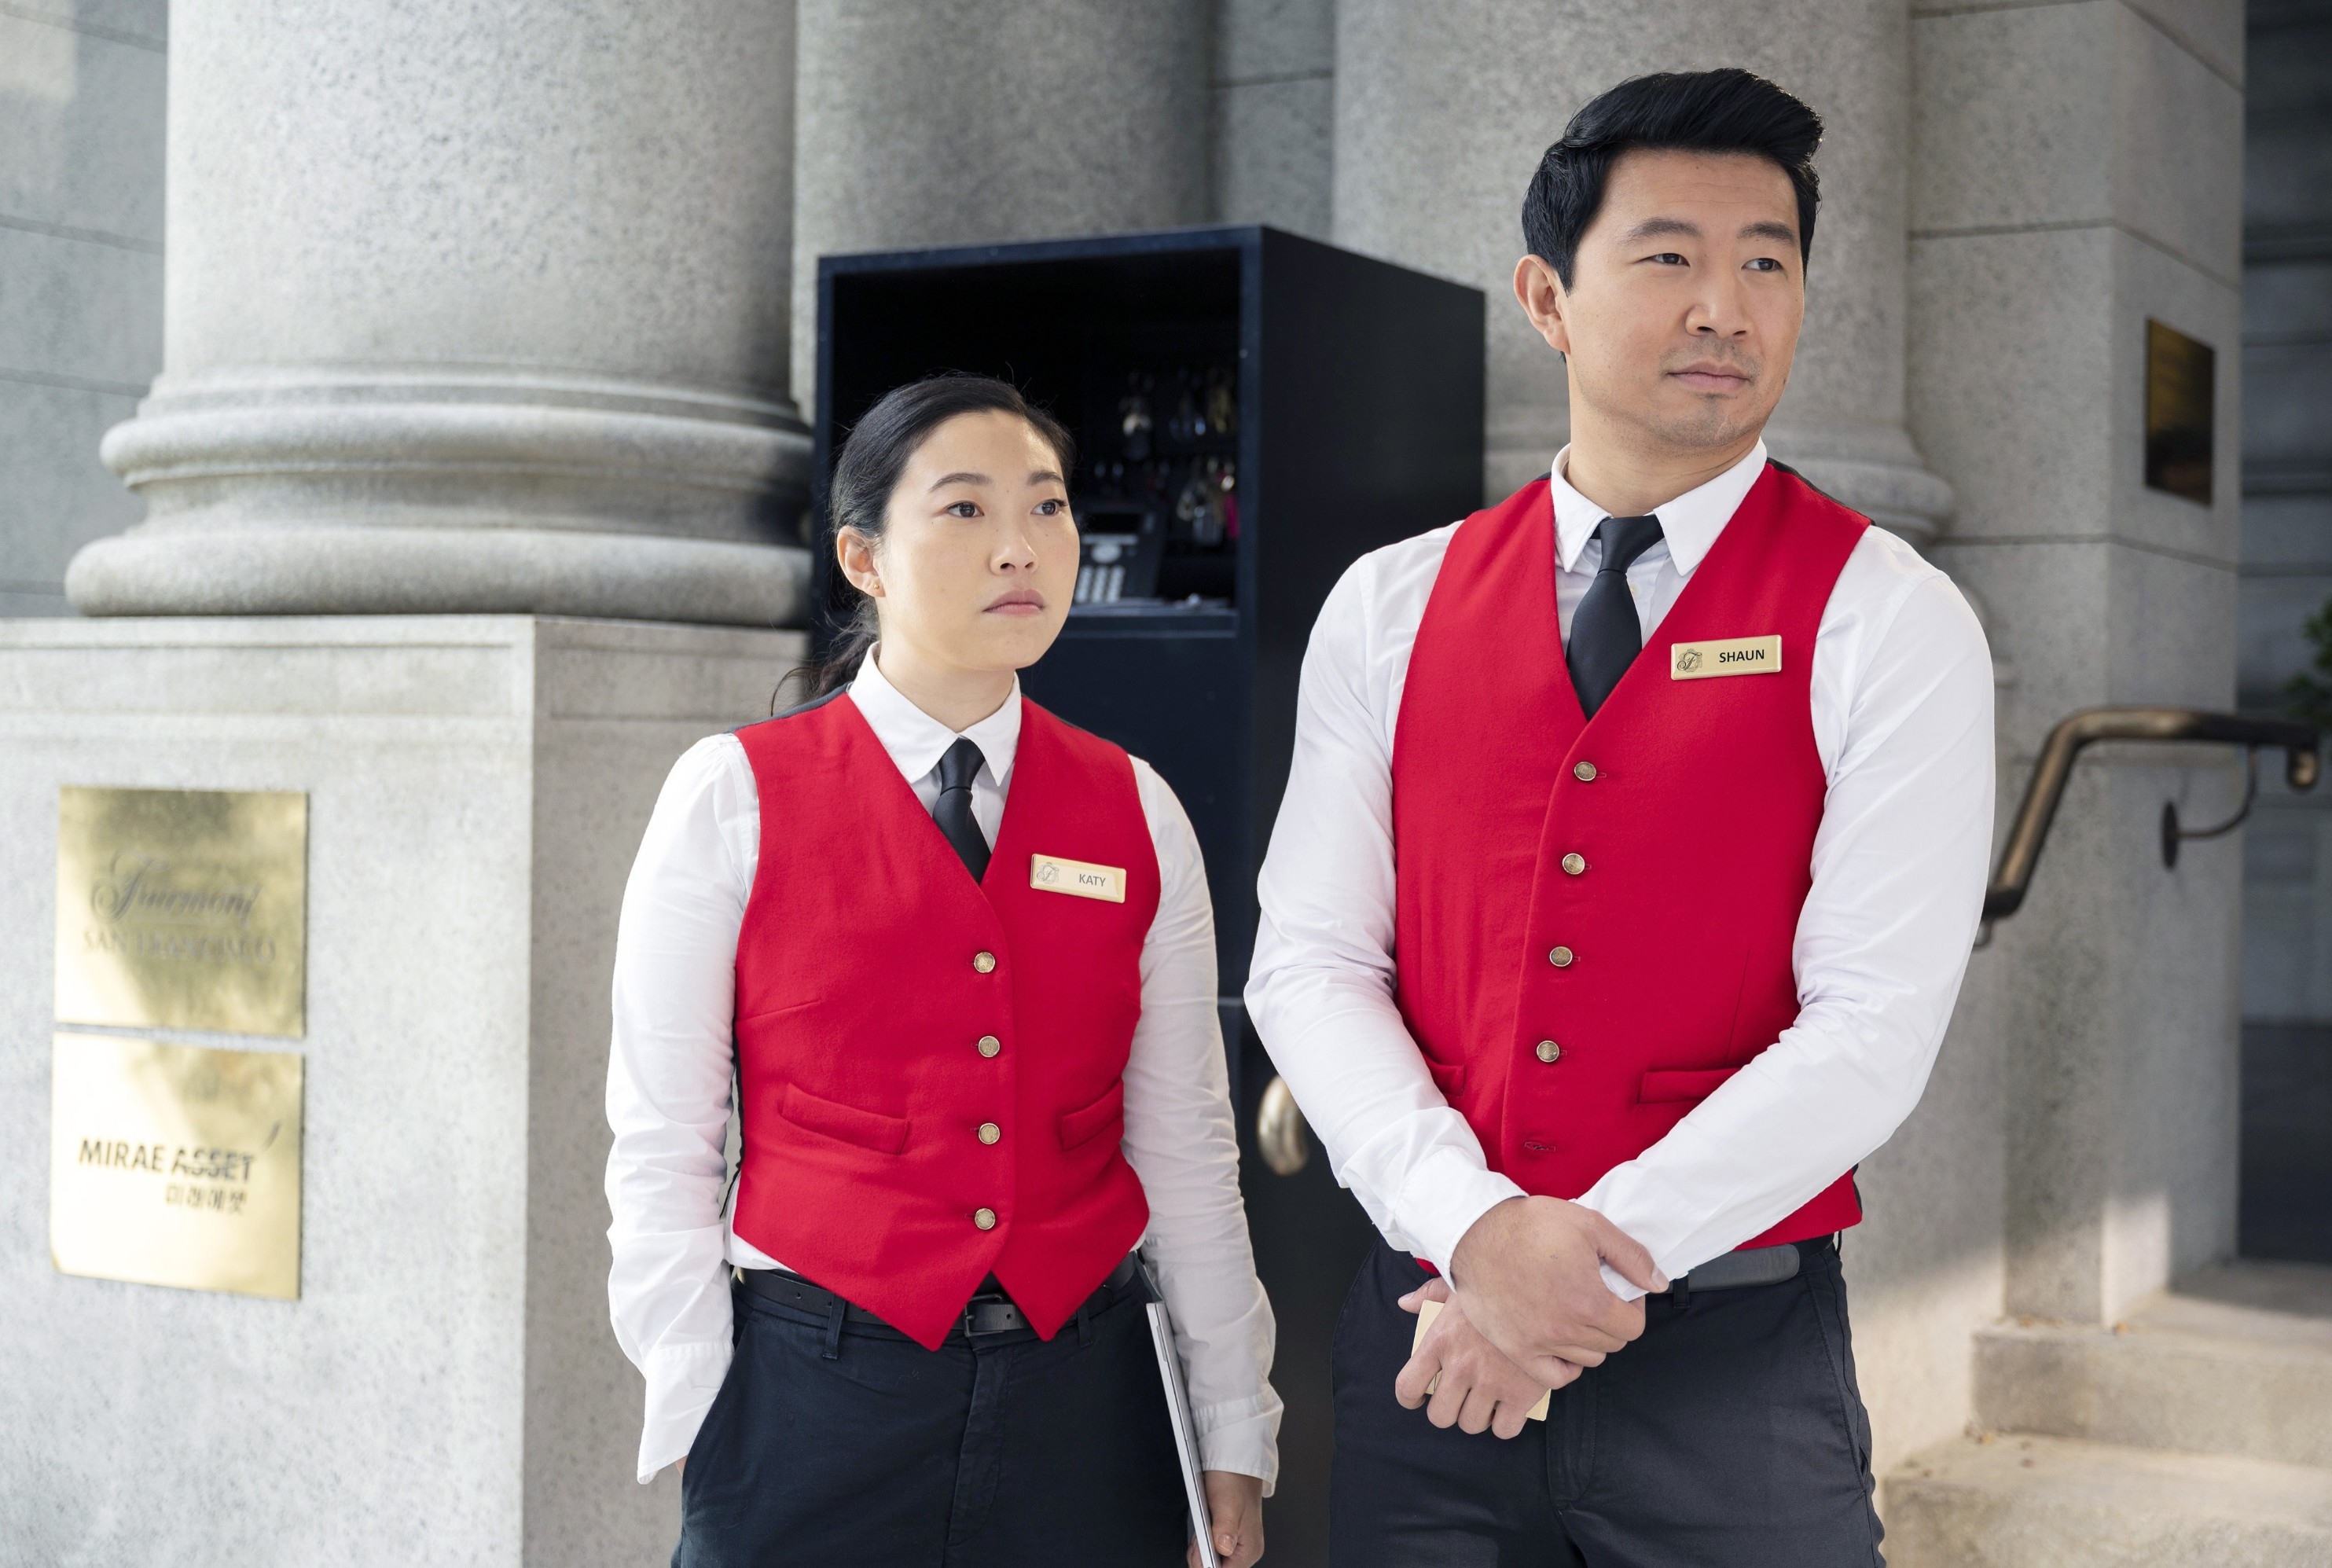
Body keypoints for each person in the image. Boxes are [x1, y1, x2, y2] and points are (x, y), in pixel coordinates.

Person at [1246, 69, 1994, 1566]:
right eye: (1669, 258)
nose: (1726, 304)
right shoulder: (1389, 607)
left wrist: (1557, 1280)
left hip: (1733, 1380)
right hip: (1429, 1351)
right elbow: (1311, 965)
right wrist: (1474, 1230)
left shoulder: (1890, 618)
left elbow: (1871, 1028)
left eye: (1767, 262)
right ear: (1548, 296)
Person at [605, 373, 1280, 1567]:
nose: (1021, 548)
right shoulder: (733, 794)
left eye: (1050, 508)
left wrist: (1232, 1422)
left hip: (1086, 1394)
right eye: (965, 511)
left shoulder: (1138, 809)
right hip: (815, 1389)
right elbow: (664, 1136)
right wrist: (698, 1385)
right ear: (862, 556)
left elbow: (1183, 1148)